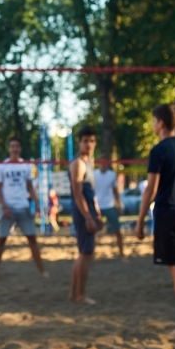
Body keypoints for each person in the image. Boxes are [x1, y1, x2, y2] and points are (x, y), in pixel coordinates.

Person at [136, 104, 175, 339]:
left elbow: (150, 189)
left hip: (169, 213)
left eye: (154, 120)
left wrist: (140, 221)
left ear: (161, 123)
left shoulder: (159, 150)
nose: (153, 125)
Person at [0, 137, 48, 279]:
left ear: (20, 148)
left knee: (32, 239)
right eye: (12, 146)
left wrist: (37, 204)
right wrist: (4, 206)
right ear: (9, 148)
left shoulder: (26, 166)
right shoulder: (2, 166)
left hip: (23, 206)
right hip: (8, 207)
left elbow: (30, 186)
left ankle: (42, 271)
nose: (14, 149)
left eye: (17, 146)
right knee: (1, 240)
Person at [69, 126, 101, 304]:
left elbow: (91, 193)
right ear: (79, 142)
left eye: (91, 140)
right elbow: (78, 194)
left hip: (88, 211)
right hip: (82, 212)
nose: (88, 144)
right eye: (85, 141)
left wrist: (96, 213)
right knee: (85, 253)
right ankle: (80, 295)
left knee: (83, 253)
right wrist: (88, 217)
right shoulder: (78, 164)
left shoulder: (89, 163)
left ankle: (74, 294)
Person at [95, 161, 124, 257]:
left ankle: (121, 252)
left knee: (117, 229)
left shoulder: (112, 175)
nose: (103, 164)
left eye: (105, 162)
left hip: (109, 205)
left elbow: (115, 192)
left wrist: (119, 205)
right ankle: (91, 253)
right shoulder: (94, 174)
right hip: (97, 206)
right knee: (92, 231)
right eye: (101, 162)